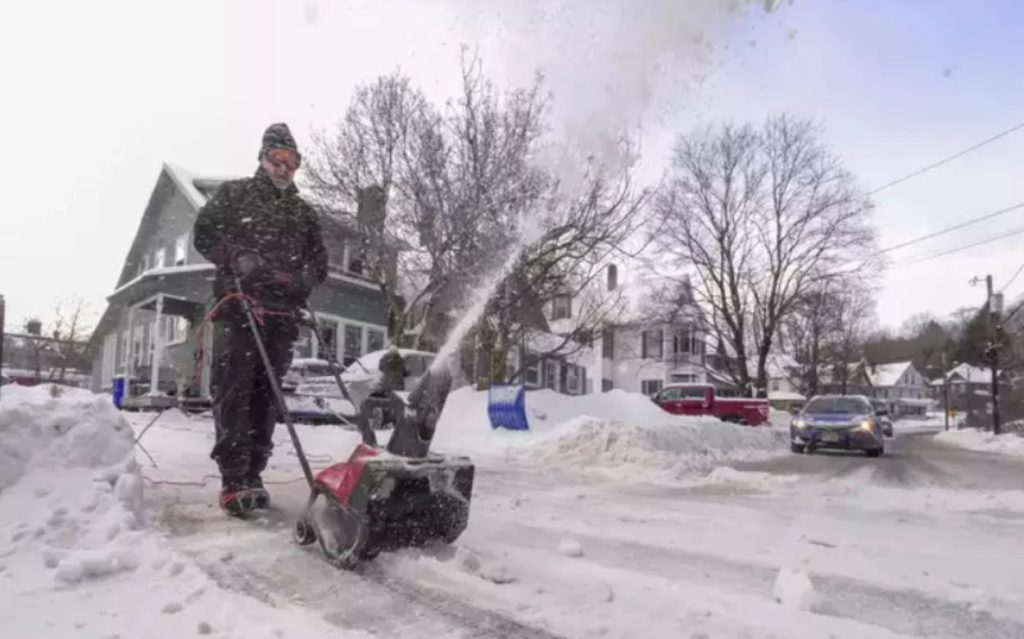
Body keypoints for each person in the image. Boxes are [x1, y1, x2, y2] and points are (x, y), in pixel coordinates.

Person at [193, 123, 328, 516]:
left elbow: (319, 260)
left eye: (291, 162)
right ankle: (234, 479)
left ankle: (255, 473)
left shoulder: (303, 213)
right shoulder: (234, 195)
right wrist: (235, 256)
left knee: (267, 397)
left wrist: (304, 278)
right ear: (263, 158)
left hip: (282, 313)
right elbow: (203, 234)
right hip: (240, 308)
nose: (284, 168)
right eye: (277, 159)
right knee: (235, 390)